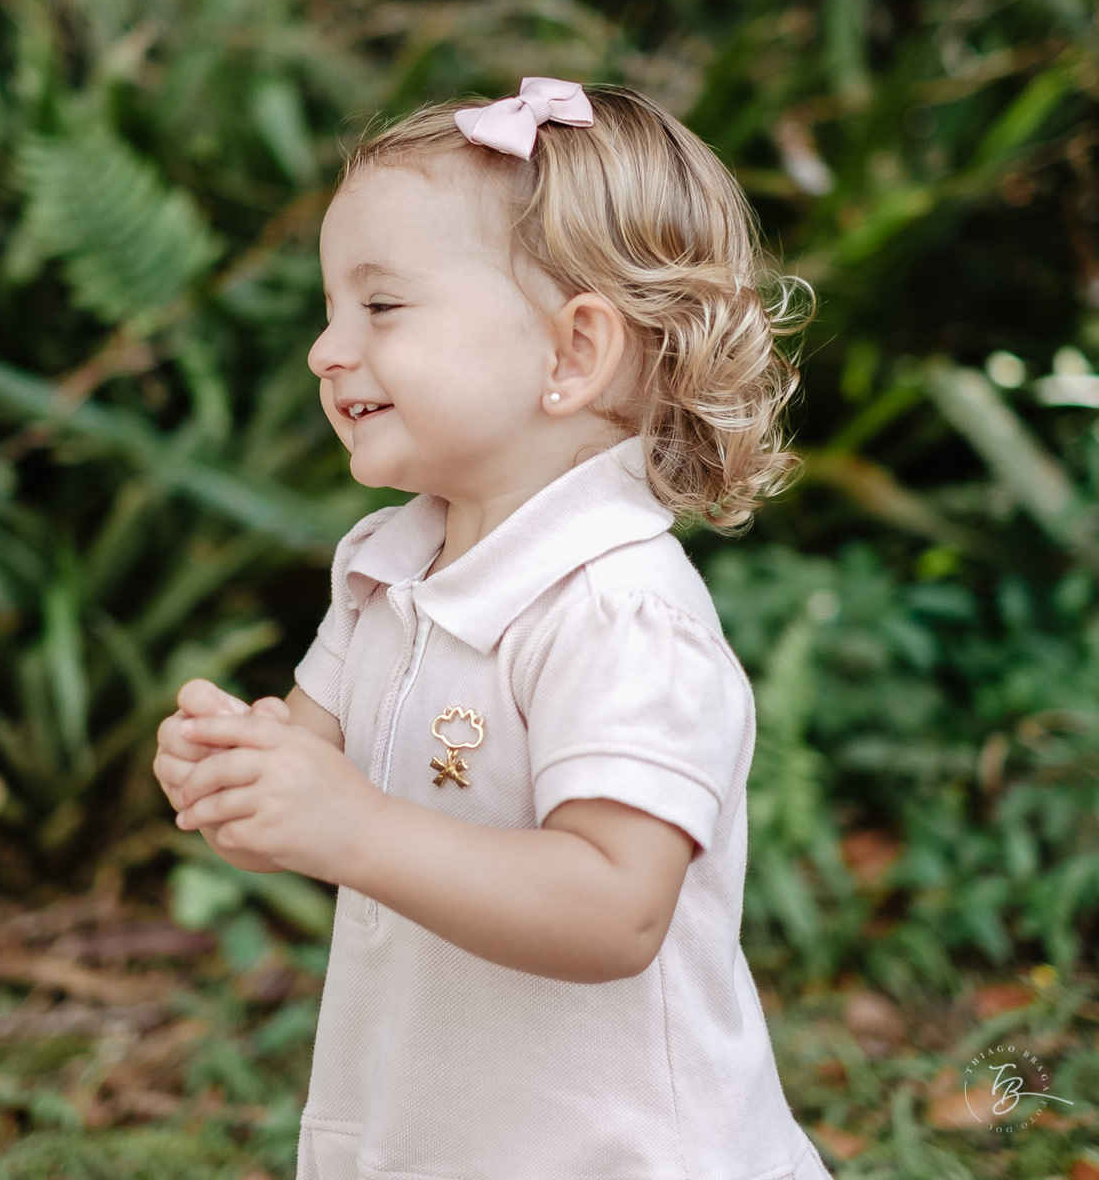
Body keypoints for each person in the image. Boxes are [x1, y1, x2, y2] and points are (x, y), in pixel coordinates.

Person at [154, 78, 833, 1180]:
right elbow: (320, 776)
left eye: (380, 308)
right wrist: (246, 775)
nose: (328, 351)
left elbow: (615, 909)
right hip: (442, 1134)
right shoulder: (385, 565)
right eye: (328, 311)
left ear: (572, 353)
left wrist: (352, 830)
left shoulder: (619, 611)